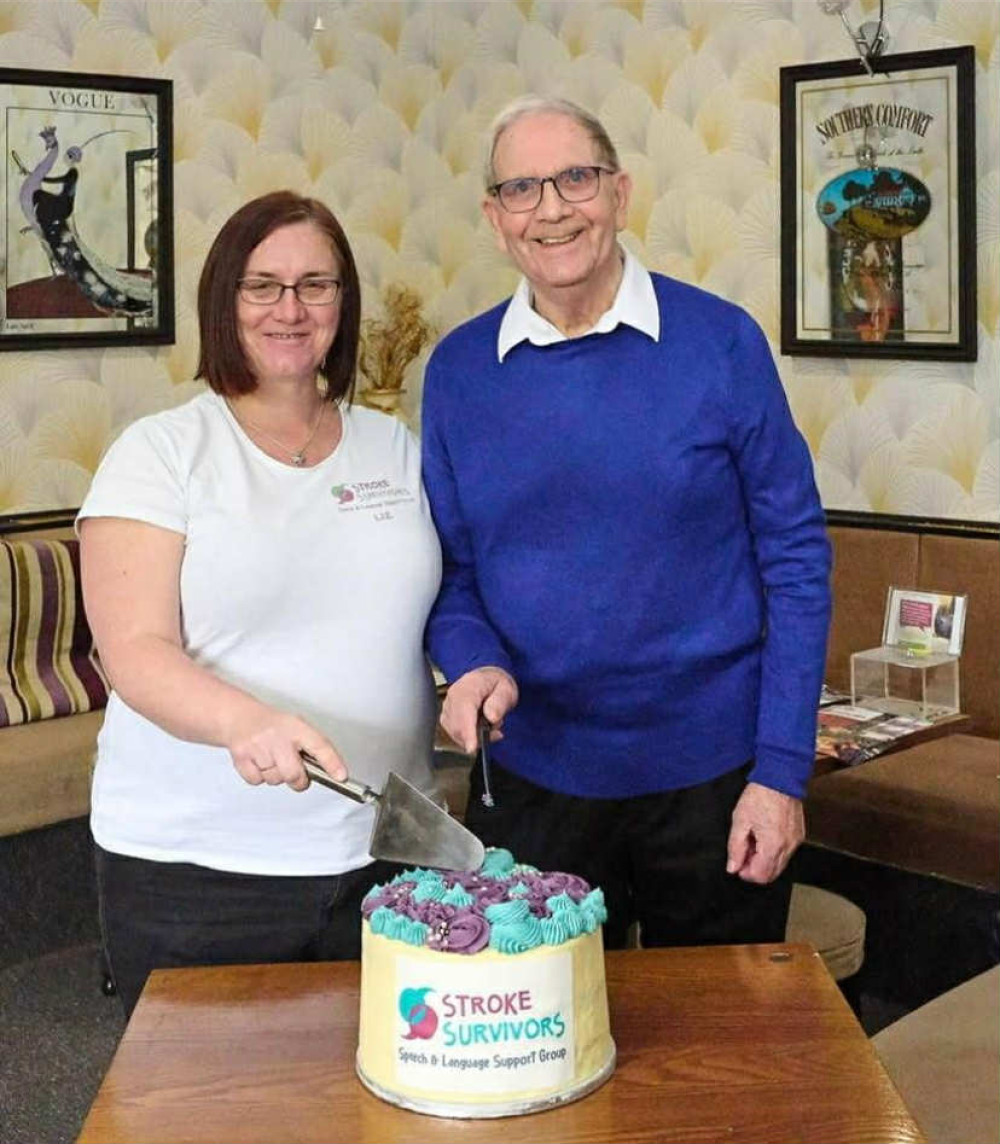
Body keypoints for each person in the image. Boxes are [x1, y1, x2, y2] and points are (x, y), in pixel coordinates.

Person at [421, 97, 832, 951]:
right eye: (522, 189)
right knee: (544, 1025)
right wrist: (472, 661)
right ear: (495, 219)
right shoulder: (459, 371)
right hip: (532, 781)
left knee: (717, 1028)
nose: (552, 209)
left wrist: (782, 773)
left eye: (576, 178)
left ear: (620, 192)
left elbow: (795, 559)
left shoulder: (722, 343)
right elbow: (453, 575)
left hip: (716, 785)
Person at [78, 191, 442, 1016]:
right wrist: (246, 723)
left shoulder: (394, 446)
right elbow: (134, 651)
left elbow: (434, 609)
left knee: (383, 1084)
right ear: (224, 300)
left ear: (342, 302)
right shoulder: (160, 454)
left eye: (316, 285)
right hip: (200, 870)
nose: (291, 308)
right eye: (263, 286)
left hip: (388, 852)